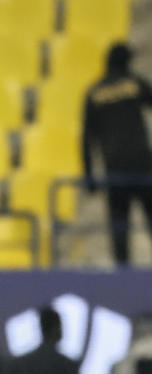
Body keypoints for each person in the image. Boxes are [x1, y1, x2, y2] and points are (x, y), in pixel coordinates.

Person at [82, 42, 152, 267]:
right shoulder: (133, 83)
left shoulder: (95, 92)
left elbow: (86, 139)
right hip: (142, 164)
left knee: (119, 223)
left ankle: (122, 272)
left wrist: (89, 175)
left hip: (114, 167)